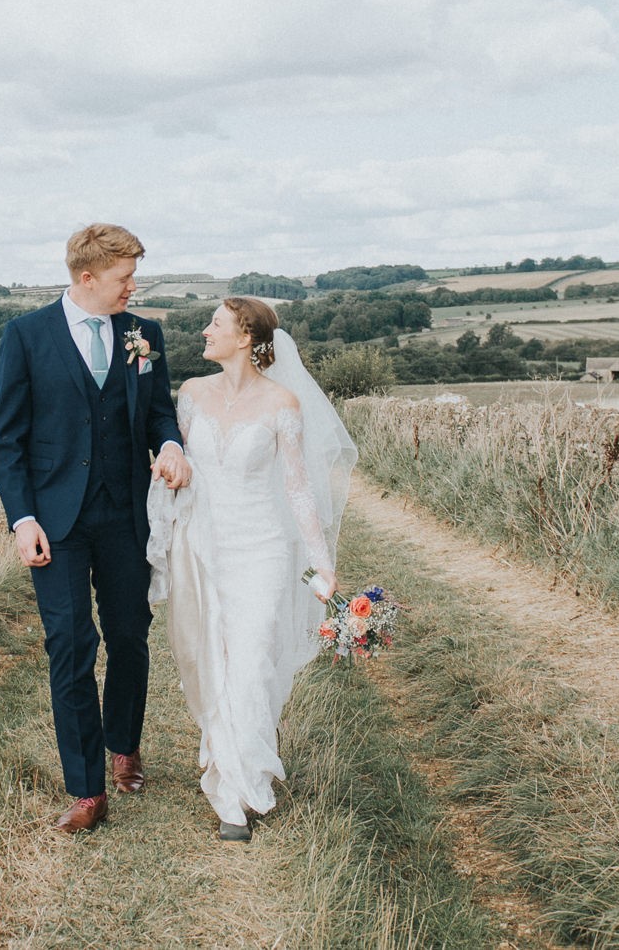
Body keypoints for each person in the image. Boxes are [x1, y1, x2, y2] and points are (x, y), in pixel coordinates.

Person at [0, 223, 188, 834]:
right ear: (87, 277)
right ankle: (86, 789)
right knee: (71, 646)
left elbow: (159, 412)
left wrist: (172, 445)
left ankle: (124, 745)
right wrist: (23, 519)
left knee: (130, 636)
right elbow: (7, 442)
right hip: (57, 522)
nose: (134, 287)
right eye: (125, 277)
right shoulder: (25, 337)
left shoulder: (143, 335)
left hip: (129, 514)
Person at [147, 297, 357, 843]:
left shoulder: (282, 403)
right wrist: (174, 471)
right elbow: (181, 459)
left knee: (252, 659)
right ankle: (225, 755)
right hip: (203, 545)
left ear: (245, 337)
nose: (204, 329)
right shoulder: (192, 395)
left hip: (262, 547)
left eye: (215, 323)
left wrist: (322, 565)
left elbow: (298, 488)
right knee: (207, 658)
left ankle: (238, 792)